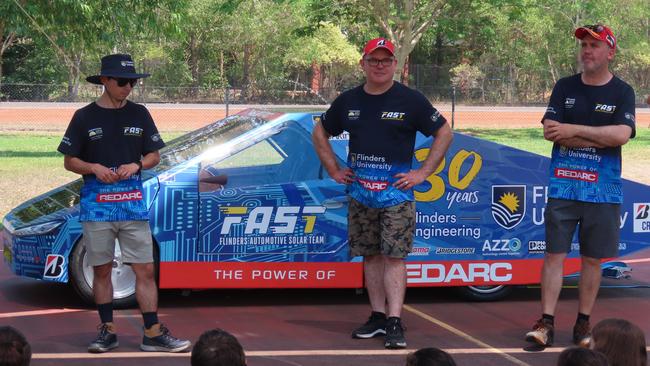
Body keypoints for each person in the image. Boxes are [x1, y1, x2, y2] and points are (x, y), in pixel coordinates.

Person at [312, 37, 453, 349]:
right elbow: (320, 131)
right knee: (371, 255)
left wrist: (423, 173)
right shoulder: (348, 101)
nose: (379, 65)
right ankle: (376, 316)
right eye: (373, 60)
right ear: (363, 64)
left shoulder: (411, 100)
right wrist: (335, 170)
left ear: (395, 65)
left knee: (394, 257)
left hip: (396, 196)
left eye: (385, 60)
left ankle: (394, 320)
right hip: (361, 194)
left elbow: (444, 131)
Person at [57, 54, 190, 353]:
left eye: (132, 82)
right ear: (104, 81)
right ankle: (107, 331)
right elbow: (69, 161)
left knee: (145, 269)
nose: (128, 87)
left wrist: (137, 165)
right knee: (102, 270)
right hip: (97, 206)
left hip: (133, 206)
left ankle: (153, 333)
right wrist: (93, 168)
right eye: (122, 81)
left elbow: (155, 155)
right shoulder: (84, 117)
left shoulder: (140, 114)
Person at [525, 24, 636, 348]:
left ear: (610, 52)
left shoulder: (622, 92)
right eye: (584, 45)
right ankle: (545, 323)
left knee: (592, 259)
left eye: (594, 45)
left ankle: (583, 324)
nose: (587, 50)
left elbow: (620, 136)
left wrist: (573, 129)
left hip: (603, 190)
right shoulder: (564, 87)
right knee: (554, 256)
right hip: (563, 187)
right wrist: (597, 134)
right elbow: (550, 131)